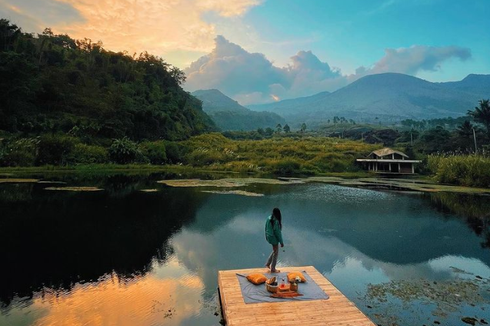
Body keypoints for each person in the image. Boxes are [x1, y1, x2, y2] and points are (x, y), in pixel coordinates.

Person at [265, 207, 284, 273]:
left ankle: (268, 264)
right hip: (273, 238)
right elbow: (278, 233)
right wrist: (281, 242)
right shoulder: (276, 221)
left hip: (269, 236)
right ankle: (273, 269)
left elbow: (266, 227)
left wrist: (266, 236)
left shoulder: (269, 218)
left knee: (275, 250)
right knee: (276, 253)